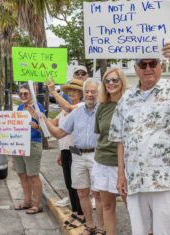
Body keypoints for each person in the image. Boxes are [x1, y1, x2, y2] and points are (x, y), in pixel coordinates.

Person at [108, 42, 170, 235]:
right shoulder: (126, 98)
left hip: (168, 181)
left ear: (161, 66)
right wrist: (121, 175)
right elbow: (120, 139)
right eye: (143, 65)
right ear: (136, 69)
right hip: (136, 181)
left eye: (153, 63)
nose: (148, 68)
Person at [43, 78, 104, 235]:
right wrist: (43, 120)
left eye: (93, 92)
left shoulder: (103, 110)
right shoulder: (77, 113)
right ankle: (90, 225)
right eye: (87, 91)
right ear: (84, 93)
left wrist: (53, 92)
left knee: (98, 194)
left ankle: (102, 228)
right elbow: (58, 133)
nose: (90, 94)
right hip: (77, 155)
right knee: (82, 193)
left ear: (99, 93)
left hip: (97, 156)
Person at [92, 68, 127, 235]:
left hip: (125, 164)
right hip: (102, 162)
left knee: (133, 207)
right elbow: (101, 133)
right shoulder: (102, 106)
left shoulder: (129, 103)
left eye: (115, 80)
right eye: (107, 81)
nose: (111, 83)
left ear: (122, 81)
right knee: (107, 205)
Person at [48, 79, 85, 229]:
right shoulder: (63, 111)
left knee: (78, 184)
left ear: (81, 93)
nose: (72, 93)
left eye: (75, 90)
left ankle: (82, 214)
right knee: (69, 184)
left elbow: (69, 108)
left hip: (76, 150)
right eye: (69, 90)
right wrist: (38, 117)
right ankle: (75, 211)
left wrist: (52, 91)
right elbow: (53, 123)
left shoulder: (80, 106)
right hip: (65, 149)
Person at [13, 83, 45, 214]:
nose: (22, 96)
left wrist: (36, 126)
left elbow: (44, 127)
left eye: (25, 93)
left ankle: (37, 204)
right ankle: (27, 201)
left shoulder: (38, 107)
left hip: (33, 143)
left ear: (31, 94)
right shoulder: (20, 107)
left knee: (33, 175)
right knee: (22, 174)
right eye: (20, 93)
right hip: (19, 144)